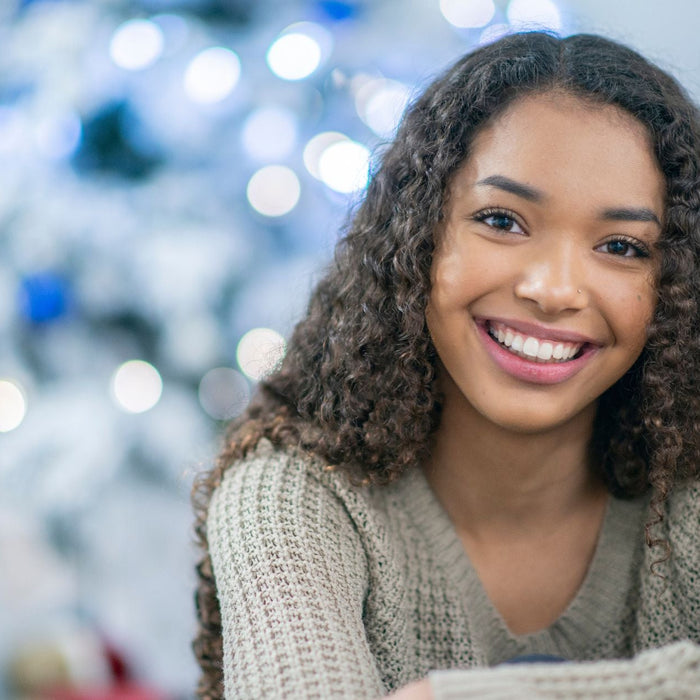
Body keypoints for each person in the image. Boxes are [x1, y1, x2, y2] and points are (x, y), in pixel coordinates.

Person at [192, 31, 700, 699]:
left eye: (621, 246)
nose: (553, 289)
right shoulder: (290, 499)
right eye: (502, 219)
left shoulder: (685, 493)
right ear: (418, 236)